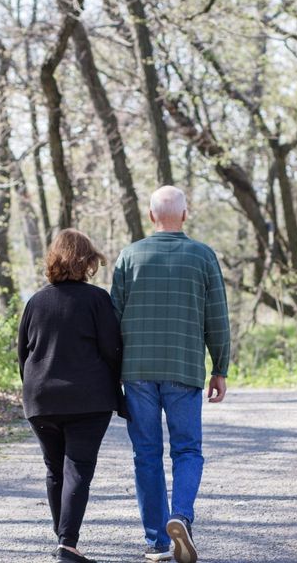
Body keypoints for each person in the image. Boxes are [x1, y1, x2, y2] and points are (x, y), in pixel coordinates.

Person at [111, 186, 230, 563]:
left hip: (138, 372)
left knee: (146, 454)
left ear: (150, 216)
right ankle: (180, 516)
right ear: (185, 214)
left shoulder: (130, 256)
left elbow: (112, 320)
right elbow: (218, 319)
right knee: (187, 449)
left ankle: (157, 540)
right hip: (184, 368)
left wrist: (112, 371)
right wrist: (220, 368)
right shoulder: (203, 256)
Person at [18, 229, 122, 563]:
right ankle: (67, 544)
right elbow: (112, 349)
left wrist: (35, 387)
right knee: (78, 467)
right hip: (87, 400)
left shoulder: (35, 302)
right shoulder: (97, 300)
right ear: (88, 261)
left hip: (41, 399)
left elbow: (22, 353)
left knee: (54, 469)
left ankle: (64, 540)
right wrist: (119, 389)